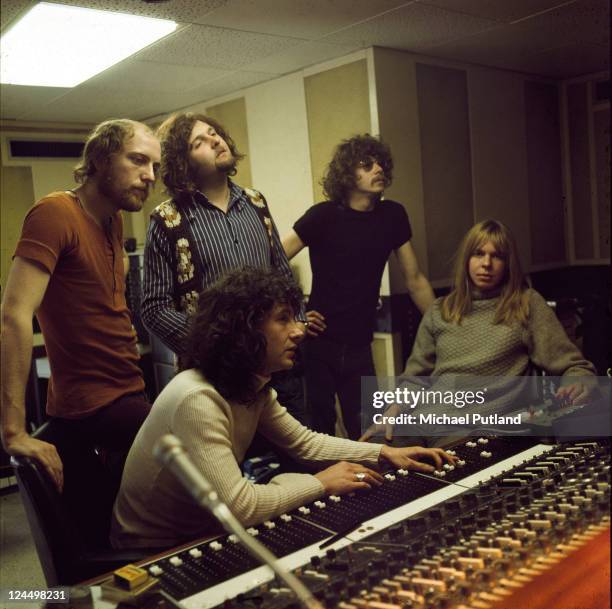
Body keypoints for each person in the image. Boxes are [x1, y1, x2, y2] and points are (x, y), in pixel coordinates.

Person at [111, 267, 455, 549]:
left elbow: (306, 444)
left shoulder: (251, 385)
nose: (299, 331)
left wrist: (381, 452)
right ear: (245, 330)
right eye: (283, 319)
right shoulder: (197, 398)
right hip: (154, 551)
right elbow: (240, 506)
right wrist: (320, 484)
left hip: (203, 533)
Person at [0, 119, 161, 490]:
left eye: (154, 166)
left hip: (128, 390)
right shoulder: (55, 213)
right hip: (93, 405)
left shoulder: (113, 220)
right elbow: (14, 315)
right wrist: (14, 432)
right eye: (138, 160)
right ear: (101, 159)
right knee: (199, 465)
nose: (149, 175)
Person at [142, 112, 315, 423]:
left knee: (299, 462)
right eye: (199, 142)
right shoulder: (167, 220)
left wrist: (297, 322)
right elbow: (154, 308)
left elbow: (281, 272)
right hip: (215, 378)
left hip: (276, 369)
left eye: (214, 133)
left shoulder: (255, 202)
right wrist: (212, 347)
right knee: (228, 468)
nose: (215, 140)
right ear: (184, 161)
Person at [361, 219, 596, 443]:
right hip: (423, 420)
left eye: (497, 256)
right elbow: (415, 379)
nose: (486, 264)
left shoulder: (526, 304)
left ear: (508, 264)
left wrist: (577, 383)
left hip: (480, 428)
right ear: (467, 259)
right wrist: (392, 412)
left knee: (432, 475)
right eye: (479, 254)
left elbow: (574, 366)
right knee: (367, 463)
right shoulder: (440, 309)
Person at [283, 134, 434, 440]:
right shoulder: (322, 216)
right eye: (366, 164)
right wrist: (295, 313)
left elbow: (415, 279)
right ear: (346, 174)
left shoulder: (392, 215)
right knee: (318, 434)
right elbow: (270, 260)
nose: (377, 168)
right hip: (317, 345)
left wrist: (443, 325)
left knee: (369, 434)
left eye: (380, 163)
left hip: (359, 347)